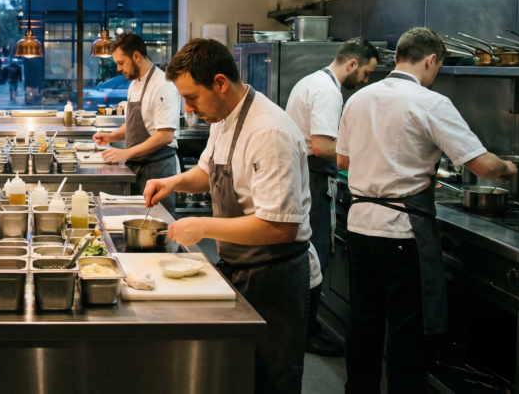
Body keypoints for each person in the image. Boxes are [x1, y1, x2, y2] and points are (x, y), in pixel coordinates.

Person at [337, 28, 517, 393]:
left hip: (359, 226)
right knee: (408, 332)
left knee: (364, 324)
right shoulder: (430, 101)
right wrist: (507, 168)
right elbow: (481, 165)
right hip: (401, 232)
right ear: (431, 60)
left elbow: (343, 159)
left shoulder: (359, 97)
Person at [143, 39, 313, 394]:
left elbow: (280, 226)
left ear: (220, 82)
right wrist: (171, 182)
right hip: (240, 266)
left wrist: (202, 225)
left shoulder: (269, 131)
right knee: (238, 374)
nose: (188, 109)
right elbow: (207, 172)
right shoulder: (223, 116)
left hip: (276, 277)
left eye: (191, 98)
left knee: (271, 378)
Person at [284, 37, 380, 358]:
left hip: (302, 173)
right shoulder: (328, 92)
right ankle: (306, 333)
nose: (365, 80)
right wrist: (370, 161)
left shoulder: (312, 80)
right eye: (366, 73)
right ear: (352, 64)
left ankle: (303, 327)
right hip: (312, 176)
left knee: (307, 253)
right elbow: (325, 148)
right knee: (315, 255)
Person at [92, 33, 180, 214]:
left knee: (158, 229)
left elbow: (165, 135)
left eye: (121, 63)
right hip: (137, 167)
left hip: (157, 169)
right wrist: (111, 136)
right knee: (136, 225)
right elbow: (133, 123)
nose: (118, 68)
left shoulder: (162, 85)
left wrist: (125, 153)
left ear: (137, 56)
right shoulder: (134, 84)